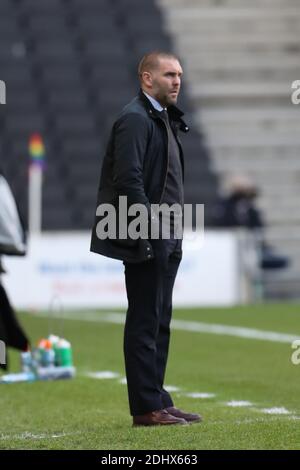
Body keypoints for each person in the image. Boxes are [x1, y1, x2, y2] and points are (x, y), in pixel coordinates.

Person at [91, 51, 202, 426]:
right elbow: (129, 180)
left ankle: (158, 398)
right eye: (169, 74)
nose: (177, 81)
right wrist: (147, 233)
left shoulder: (162, 118)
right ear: (146, 79)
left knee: (160, 320)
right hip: (149, 235)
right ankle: (145, 408)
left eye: (180, 75)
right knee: (144, 320)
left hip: (169, 233)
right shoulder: (135, 119)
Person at [213, 175, 289, 269]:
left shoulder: (250, 209)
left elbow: (258, 227)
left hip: (251, 246)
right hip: (233, 247)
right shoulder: (225, 206)